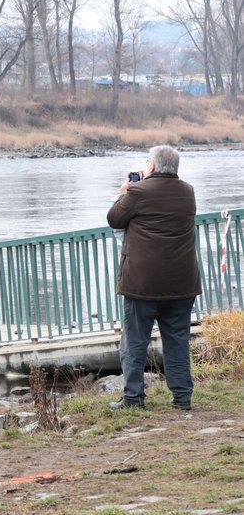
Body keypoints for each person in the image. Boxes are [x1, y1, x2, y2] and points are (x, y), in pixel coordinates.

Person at [106, 145, 202, 410]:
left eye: (147, 162)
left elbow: (114, 219)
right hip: (182, 284)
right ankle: (182, 397)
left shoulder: (137, 192)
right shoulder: (188, 192)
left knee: (135, 342)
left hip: (142, 284)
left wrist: (125, 191)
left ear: (151, 167)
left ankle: (134, 398)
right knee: (177, 341)